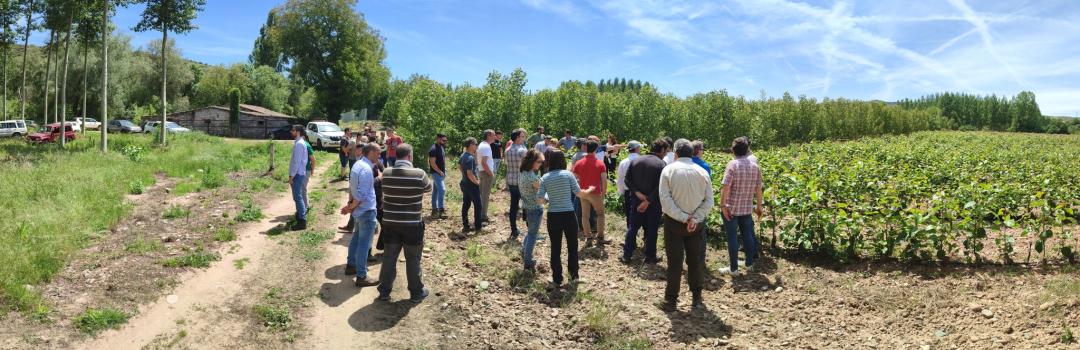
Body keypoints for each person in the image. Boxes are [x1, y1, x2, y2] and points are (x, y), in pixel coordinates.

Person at [658, 139, 714, 311]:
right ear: (693, 153)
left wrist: (683, 218)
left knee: (675, 262)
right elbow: (709, 201)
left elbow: (665, 201)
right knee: (695, 261)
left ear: (675, 153)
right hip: (696, 225)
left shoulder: (668, 170)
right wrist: (694, 219)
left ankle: (670, 300)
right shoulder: (702, 172)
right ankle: (696, 298)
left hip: (674, 223)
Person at [377, 143, 433, 303]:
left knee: (389, 257)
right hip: (412, 224)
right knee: (413, 258)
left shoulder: (386, 173)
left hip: (390, 223)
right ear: (410, 156)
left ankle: (384, 292)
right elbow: (428, 188)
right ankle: (416, 293)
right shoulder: (419, 174)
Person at [538, 150, 588, 286]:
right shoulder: (568, 175)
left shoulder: (545, 177)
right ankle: (574, 277)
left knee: (555, 247)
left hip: (553, 216)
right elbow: (578, 193)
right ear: (563, 161)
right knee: (573, 246)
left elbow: (540, 200)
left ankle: (557, 279)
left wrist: (550, 198)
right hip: (569, 215)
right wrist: (589, 191)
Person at [720, 136, 764, 276]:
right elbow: (758, 188)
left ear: (733, 150)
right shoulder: (755, 166)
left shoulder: (732, 164)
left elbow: (725, 186)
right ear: (747, 150)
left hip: (731, 208)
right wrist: (759, 206)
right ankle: (749, 264)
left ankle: (733, 269)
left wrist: (723, 205)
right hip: (746, 208)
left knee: (732, 237)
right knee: (748, 235)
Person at [621, 138, 668, 264]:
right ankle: (650, 256)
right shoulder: (662, 165)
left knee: (633, 228)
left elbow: (627, 180)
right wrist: (648, 200)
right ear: (662, 150)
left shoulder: (636, 160)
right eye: (666, 151)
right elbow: (661, 186)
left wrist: (637, 193)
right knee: (652, 229)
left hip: (636, 201)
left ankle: (627, 255)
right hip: (654, 204)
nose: (666, 154)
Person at [341, 142, 381, 287]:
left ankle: (351, 265)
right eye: (377, 153)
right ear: (370, 153)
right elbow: (362, 195)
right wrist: (349, 207)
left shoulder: (358, 165)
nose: (379, 155)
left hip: (359, 211)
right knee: (364, 244)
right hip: (366, 211)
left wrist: (350, 206)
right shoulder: (366, 169)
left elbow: (354, 189)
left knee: (356, 238)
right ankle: (361, 276)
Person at [573, 139, 608, 246]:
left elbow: (574, 178)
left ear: (586, 148)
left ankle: (588, 238)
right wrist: (603, 193)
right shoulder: (600, 163)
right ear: (596, 149)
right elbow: (604, 180)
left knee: (585, 216)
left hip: (583, 192)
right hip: (595, 192)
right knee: (600, 214)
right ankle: (600, 237)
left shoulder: (579, 163)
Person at [518, 149, 544, 271]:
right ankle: (528, 261)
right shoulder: (532, 177)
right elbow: (542, 191)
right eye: (539, 161)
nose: (541, 164)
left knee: (530, 233)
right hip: (535, 209)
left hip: (527, 207)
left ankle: (524, 250)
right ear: (533, 162)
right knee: (533, 235)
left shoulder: (523, 173)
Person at [691, 140, 712, 264]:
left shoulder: (681, 164)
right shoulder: (704, 166)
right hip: (700, 202)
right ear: (698, 151)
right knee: (700, 232)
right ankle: (700, 261)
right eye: (703, 149)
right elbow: (707, 186)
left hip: (683, 201)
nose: (703, 152)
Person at [504, 129, 528, 239]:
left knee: (513, 205)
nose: (523, 138)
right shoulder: (522, 150)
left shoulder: (508, 149)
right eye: (522, 136)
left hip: (511, 180)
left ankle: (513, 229)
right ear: (518, 137)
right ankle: (530, 229)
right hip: (522, 180)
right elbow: (529, 165)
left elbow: (507, 165)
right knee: (527, 204)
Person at [288, 125, 311, 231]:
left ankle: (302, 221)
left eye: (292, 130)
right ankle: (299, 217)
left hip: (297, 174)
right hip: (299, 173)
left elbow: (296, 162)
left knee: (298, 197)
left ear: (297, 132)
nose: (290, 132)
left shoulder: (299, 144)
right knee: (297, 197)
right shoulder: (300, 143)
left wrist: (291, 176)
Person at [460, 138, 483, 232]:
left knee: (466, 204)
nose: (477, 146)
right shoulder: (470, 158)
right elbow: (470, 173)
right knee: (478, 205)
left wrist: (465, 175)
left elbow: (460, 167)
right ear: (470, 145)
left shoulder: (463, 155)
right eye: (476, 144)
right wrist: (476, 182)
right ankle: (478, 227)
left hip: (464, 183)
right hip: (471, 185)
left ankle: (466, 225)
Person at [616, 140, 642, 227]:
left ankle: (630, 232)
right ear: (637, 148)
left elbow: (620, 178)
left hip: (628, 191)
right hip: (641, 192)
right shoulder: (642, 160)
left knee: (629, 213)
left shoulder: (623, 162)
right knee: (641, 213)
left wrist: (621, 191)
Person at [477, 130, 497, 223]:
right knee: (485, 196)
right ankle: (483, 217)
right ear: (489, 135)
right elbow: (484, 162)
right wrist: (491, 173)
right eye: (494, 134)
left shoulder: (482, 145)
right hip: (486, 173)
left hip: (482, 172)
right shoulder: (486, 146)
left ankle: (480, 214)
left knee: (482, 195)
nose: (495, 136)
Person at [428, 134, 448, 218]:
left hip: (441, 173)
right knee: (442, 190)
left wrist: (444, 169)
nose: (445, 142)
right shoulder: (433, 149)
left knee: (436, 191)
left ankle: (434, 209)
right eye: (443, 140)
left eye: (446, 141)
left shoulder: (441, 147)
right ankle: (441, 209)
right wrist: (439, 171)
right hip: (436, 173)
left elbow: (442, 160)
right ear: (438, 139)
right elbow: (432, 163)